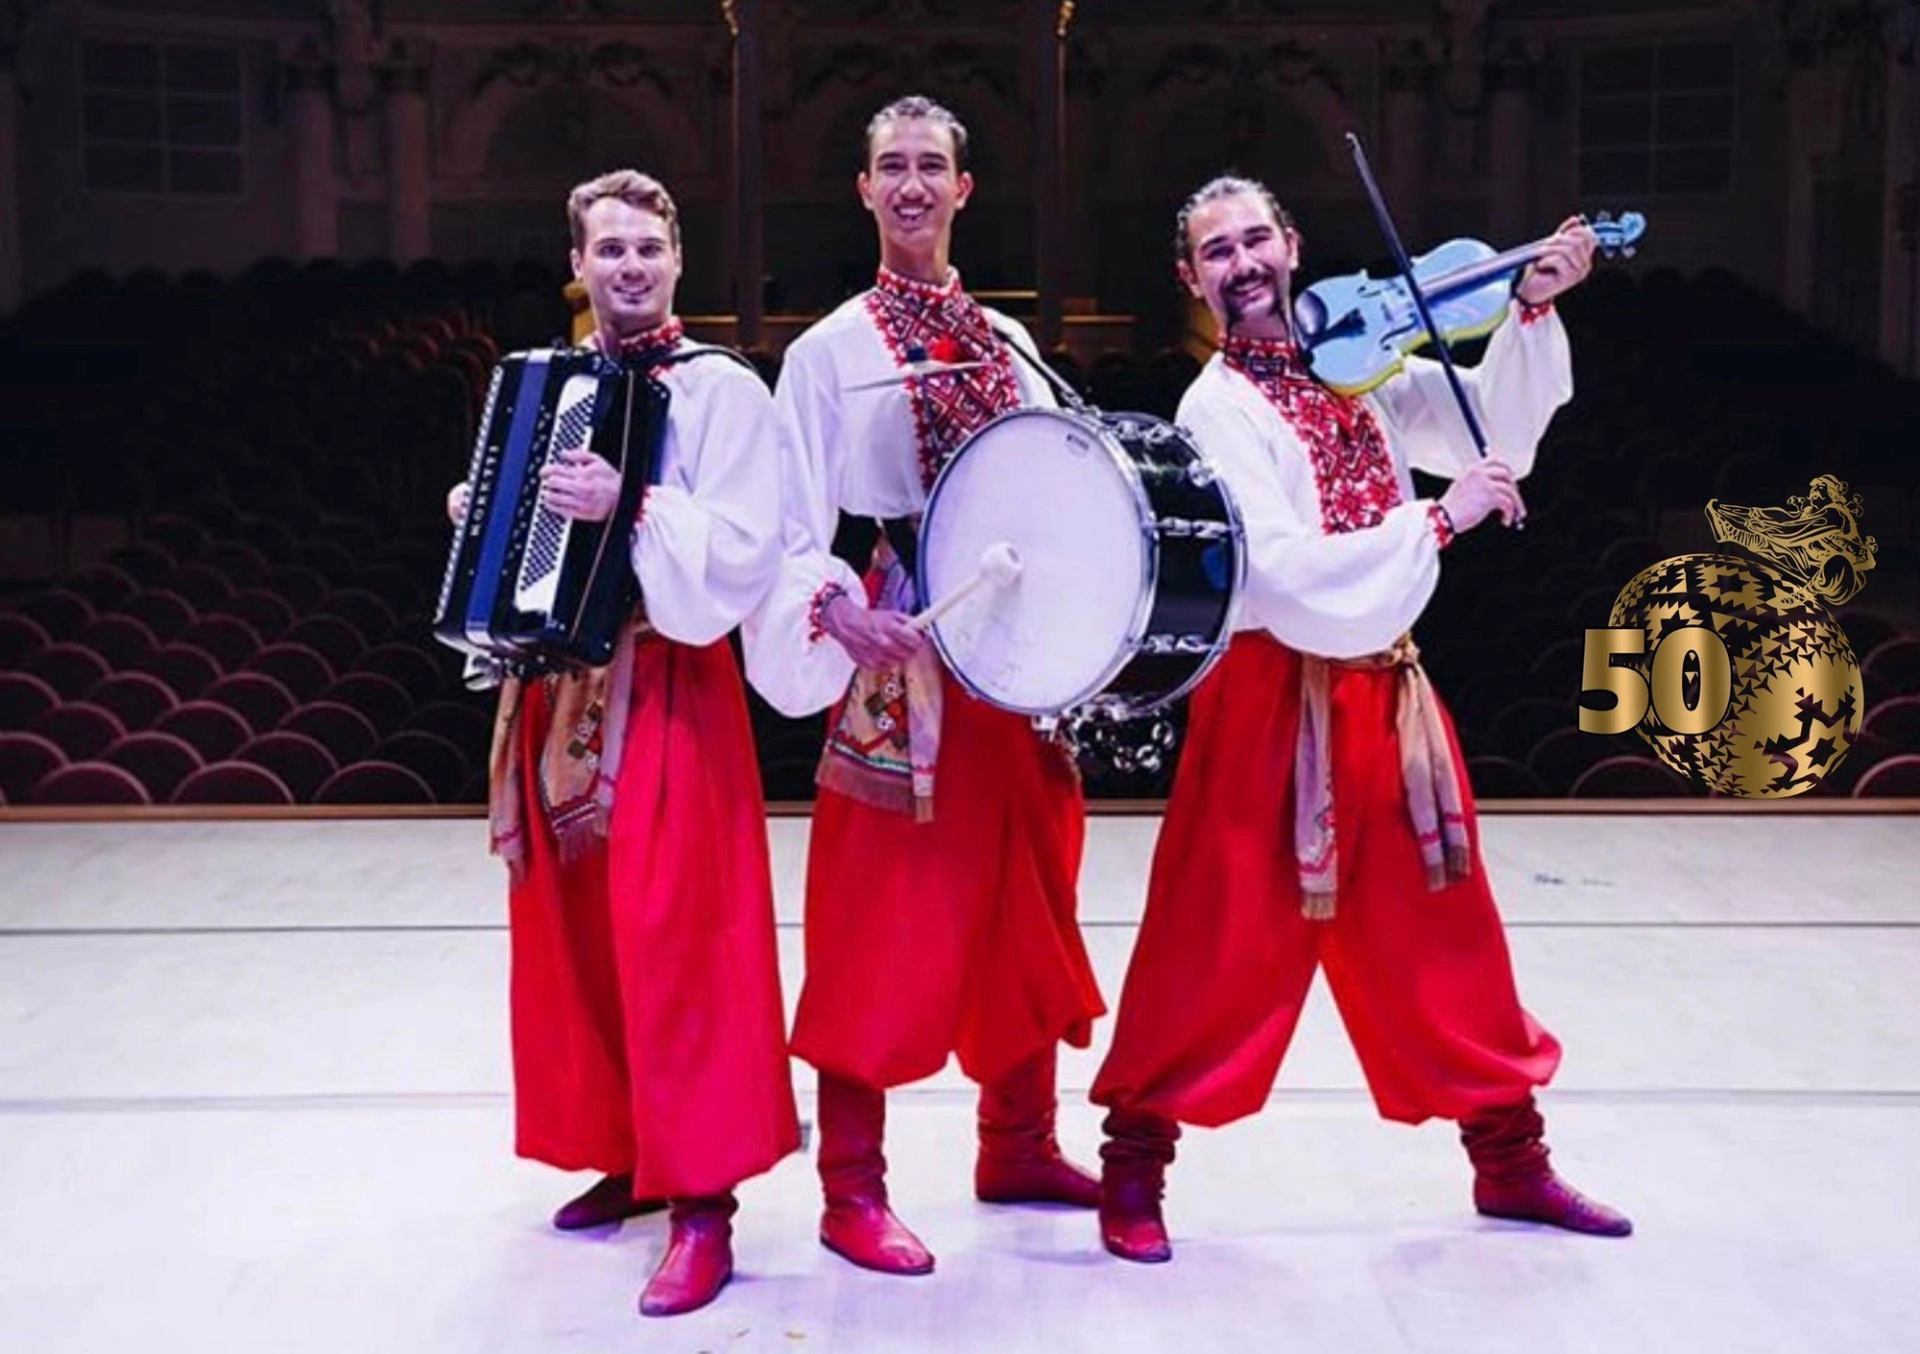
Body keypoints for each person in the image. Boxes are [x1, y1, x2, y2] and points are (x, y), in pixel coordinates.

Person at [1089, 175, 1632, 1264]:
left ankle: (1510, 1162)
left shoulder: (1363, 369)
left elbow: (1499, 432)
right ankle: (1135, 1166)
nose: (1241, 264)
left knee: (1446, 925)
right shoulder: (1217, 409)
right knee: (1214, 936)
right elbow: (1284, 576)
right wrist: (1436, 519)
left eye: (1256, 240)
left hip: (1382, 688)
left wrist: (1530, 305)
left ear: (1291, 247)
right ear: (1190, 277)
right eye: (1216, 251)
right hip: (1266, 699)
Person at [743, 95, 1105, 1277]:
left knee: (1028, 892)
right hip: (900, 654)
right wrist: (835, 606)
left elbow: (1057, 494)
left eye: (931, 167)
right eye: (889, 167)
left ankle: (1018, 1142)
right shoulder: (827, 352)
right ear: (863, 192)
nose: (910, 184)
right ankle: (852, 1190)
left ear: (964, 190)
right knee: (879, 914)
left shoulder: (1012, 342)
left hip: (1012, 664)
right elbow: (790, 520)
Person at [447, 169, 798, 1316]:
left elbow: (750, 549)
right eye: (610, 249)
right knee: (581, 938)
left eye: (649, 247)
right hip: (561, 689)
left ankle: (705, 1202)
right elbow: (536, 541)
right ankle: (631, 1152)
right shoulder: (549, 382)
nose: (631, 266)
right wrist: (490, 509)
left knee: (682, 938)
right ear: (580, 265)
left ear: (678, 261)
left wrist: (633, 505)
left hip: (672, 681)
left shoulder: (723, 390)